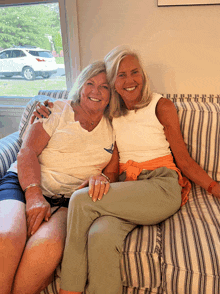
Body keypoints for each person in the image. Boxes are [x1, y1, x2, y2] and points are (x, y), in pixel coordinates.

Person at [35, 46, 220, 294]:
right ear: (113, 83)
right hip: (127, 189)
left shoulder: (160, 105)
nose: (130, 80)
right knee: (100, 235)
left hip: (161, 187)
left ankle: (70, 289)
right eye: (121, 75)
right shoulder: (112, 114)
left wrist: (215, 187)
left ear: (142, 75)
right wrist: (44, 107)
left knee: (80, 200)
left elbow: (184, 161)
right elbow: (110, 164)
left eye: (134, 72)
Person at [0, 61, 118, 294]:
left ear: (111, 94)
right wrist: (33, 195)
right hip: (23, 185)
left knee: (46, 248)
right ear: (80, 85)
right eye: (90, 83)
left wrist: (103, 179)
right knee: (7, 236)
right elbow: (27, 152)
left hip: (68, 202)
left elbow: (112, 172)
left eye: (104, 87)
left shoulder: (114, 128)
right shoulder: (56, 109)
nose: (95, 91)